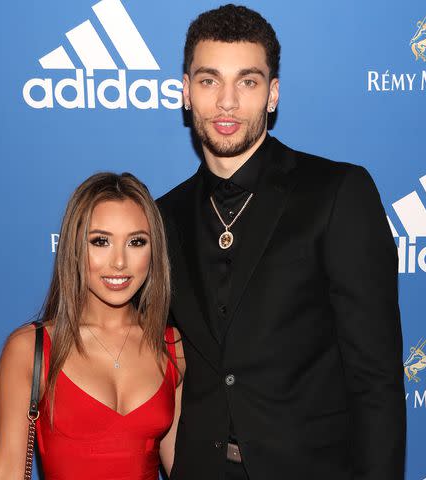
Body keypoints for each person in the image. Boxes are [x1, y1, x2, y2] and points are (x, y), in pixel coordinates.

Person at [157, 4, 405, 480]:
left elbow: (376, 380)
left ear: (272, 95)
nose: (227, 102)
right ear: (186, 93)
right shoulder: (164, 216)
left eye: (247, 82)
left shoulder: (336, 193)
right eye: (209, 81)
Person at [0, 172, 184, 480]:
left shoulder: (172, 347)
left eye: (136, 242)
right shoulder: (30, 348)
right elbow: (7, 472)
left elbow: (181, 467)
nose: (119, 262)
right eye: (101, 241)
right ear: (75, 247)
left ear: (154, 250)